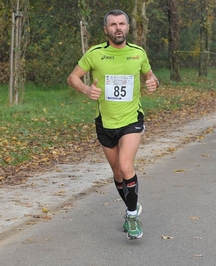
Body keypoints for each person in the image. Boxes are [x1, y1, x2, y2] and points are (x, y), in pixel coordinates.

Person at [67, 9, 159, 240]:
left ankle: (131, 216)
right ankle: (132, 206)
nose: (118, 28)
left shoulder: (138, 53)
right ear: (106, 29)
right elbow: (72, 77)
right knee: (117, 173)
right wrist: (87, 89)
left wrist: (152, 83)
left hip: (131, 119)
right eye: (113, 25)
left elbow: (150, 76)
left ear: (128, 27)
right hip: (105, 122)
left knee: (126, 166)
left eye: (122, 24)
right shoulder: (95, 53)